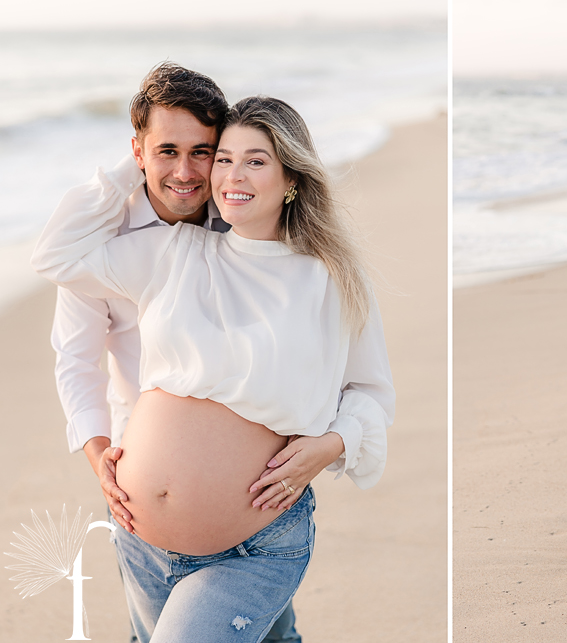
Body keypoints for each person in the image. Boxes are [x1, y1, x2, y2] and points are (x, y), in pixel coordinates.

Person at [33, 92, 394, 639]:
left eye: (256, 160)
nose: (231, 175)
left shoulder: (329, 277)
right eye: (223, 158)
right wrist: (135, 162)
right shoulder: (175, 252)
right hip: (141, 539)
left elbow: (370, 391)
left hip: (252, 545)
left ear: (292, 178)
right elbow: (55, 255)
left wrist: (331, 444)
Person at [50, 63, 303, 642]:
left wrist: (330, 440)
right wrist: (98, 459)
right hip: (142, 511)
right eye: (166, 150)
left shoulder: (248, 221)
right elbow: (75, 359)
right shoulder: (100, 239)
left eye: (203, 152)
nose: (187, 173)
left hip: (253, 501)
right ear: (136, 151)